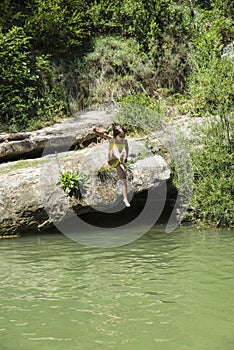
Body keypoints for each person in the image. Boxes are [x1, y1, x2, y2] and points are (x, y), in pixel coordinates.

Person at [93, 124, 131, 207]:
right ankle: (119, 157)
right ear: (115, 135)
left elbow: (127, 149)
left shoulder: (125, 141)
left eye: (123, 135)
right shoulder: (112, 139)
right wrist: (95, 131)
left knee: (123, 177)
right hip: (112, 160)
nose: (122, 137)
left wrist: (126, 158)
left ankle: (125, 198)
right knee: (114, 147)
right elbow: (103, 134)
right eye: (120, 136)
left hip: (118, 163)